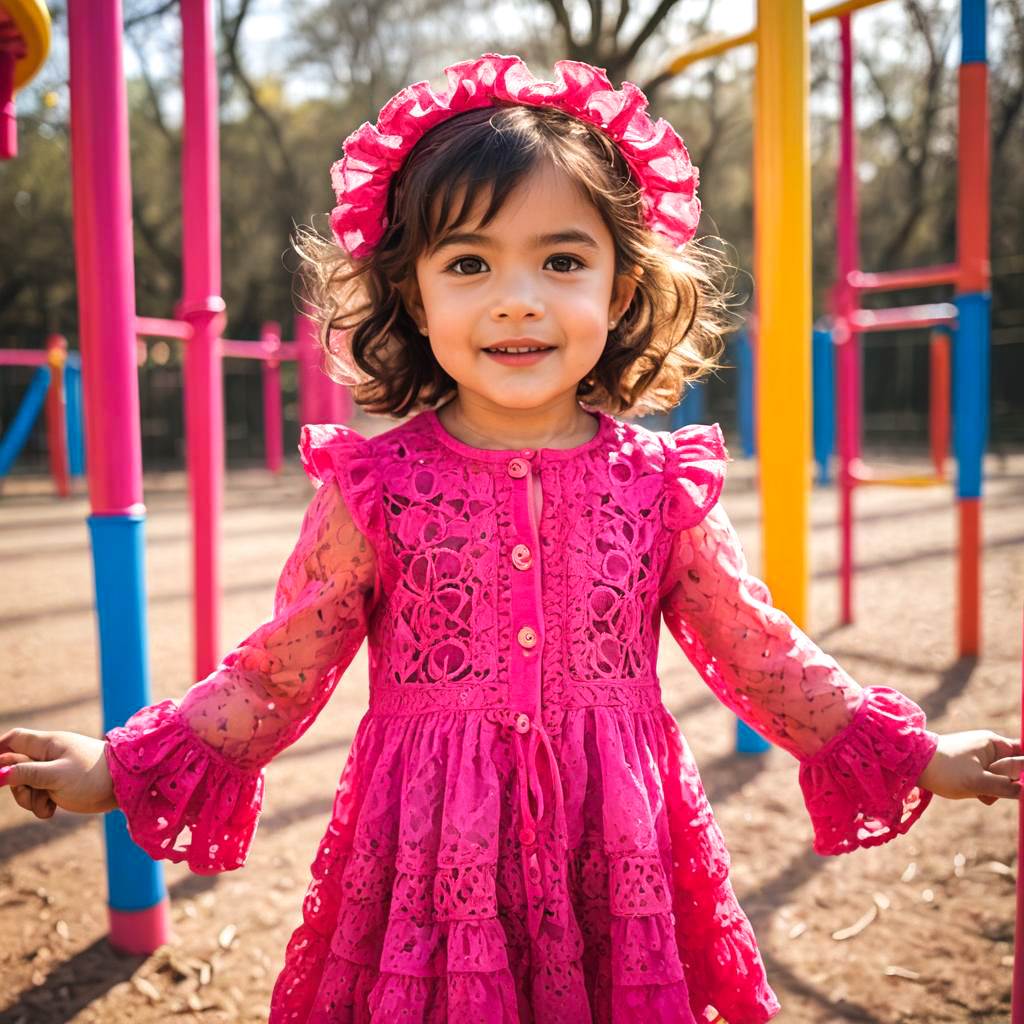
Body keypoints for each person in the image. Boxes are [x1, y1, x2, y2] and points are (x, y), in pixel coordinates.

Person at [0, 53, 1020, 1024]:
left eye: (562, 258)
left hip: (612, 843)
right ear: (414, 293)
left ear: (619, 290)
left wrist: (915, 752)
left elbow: (758, 651)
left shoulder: (661, 486)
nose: (517, 296)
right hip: (435, 853)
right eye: (469, 262)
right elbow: (276, 675)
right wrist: (124, 765)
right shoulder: (376, 486)